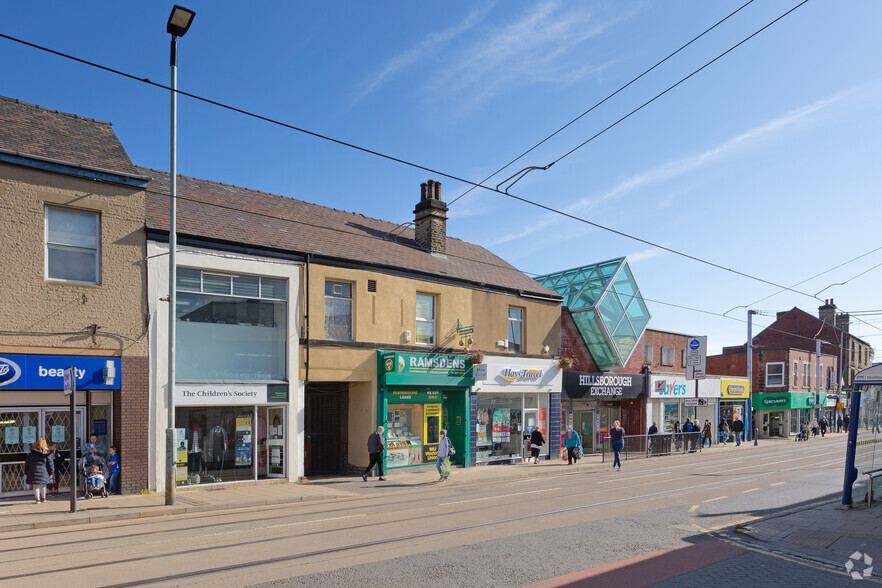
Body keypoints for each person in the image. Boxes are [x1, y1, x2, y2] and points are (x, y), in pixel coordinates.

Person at [25, 438, 54, 504]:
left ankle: (37, 499)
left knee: (36, 486)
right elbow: (50, 464)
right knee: (43, 485)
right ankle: (44, 498)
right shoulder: (46, 453)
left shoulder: (32, 454)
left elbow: (27, 464)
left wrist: (26, 472)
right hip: (44, 471)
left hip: (33, 471)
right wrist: (51, 472)